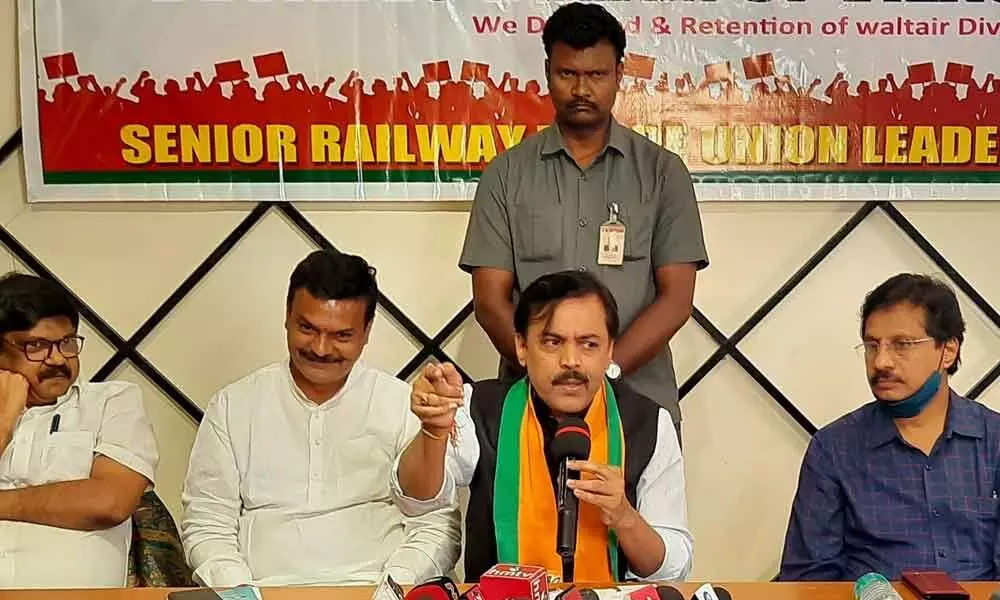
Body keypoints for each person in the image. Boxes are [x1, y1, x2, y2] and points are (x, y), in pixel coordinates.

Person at [458, 2, 709, 444]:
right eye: (567, 74)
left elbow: (676, 299)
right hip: (527, 406)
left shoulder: (662, 173)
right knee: (524, 516)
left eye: (596, 75)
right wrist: (545, 374)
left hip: (638, 403)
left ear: (619, 73)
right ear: (547, 72)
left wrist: (603, 372)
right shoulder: (507, 174)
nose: (581, 89)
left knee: (635, 517)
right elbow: (489, 300)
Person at [181, 250, 461, 587]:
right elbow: (207, 522)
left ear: (367, 331)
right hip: (263, 590)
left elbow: (436, 523)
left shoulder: (402, 403)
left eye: (342, 335)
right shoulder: (232, 406)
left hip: (376, 589)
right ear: (287, 317)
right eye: (307, 329)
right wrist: (239, 592)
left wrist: (394, 589)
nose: (322, 348)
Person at [391, 270, 692, 583]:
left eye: (589, 344)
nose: (571, 361)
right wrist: (433, 431)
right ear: (521, 346)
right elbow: (417, 502)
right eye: (552, 342)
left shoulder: (648, 423)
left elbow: (673, 566)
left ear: (610, 350)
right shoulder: (481, 407)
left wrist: (625, 517)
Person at [778, 273, 1000, 581]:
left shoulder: (995, 440)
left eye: (902, 345)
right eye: (872, 345)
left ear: (948, 351)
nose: (881, 361)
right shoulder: (834, 448)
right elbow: (809, 580)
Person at [0, 273, 159, 588]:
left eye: (67, 342)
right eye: (37, 346)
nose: (58, 358)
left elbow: (110, 503)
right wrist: (5, 419)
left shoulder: (111, 402)